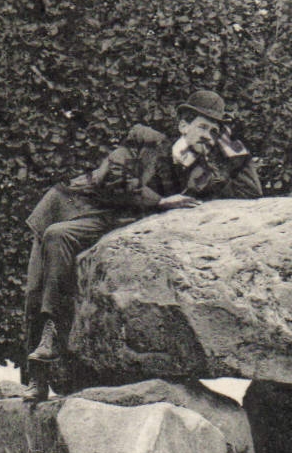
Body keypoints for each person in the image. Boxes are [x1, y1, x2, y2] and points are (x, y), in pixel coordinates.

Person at [21, 89, 261, 395]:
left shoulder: (203, 174)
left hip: (120, 223)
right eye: (203, 127)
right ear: (183, 125)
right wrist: (160, 201)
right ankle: (38, 375)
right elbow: (113, 179)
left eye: (215, 132)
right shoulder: (143, 139)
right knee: (39, 281)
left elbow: (250, 192)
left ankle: (57, 368)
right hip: (80, 207)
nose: (209, 137)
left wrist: (233, 144)